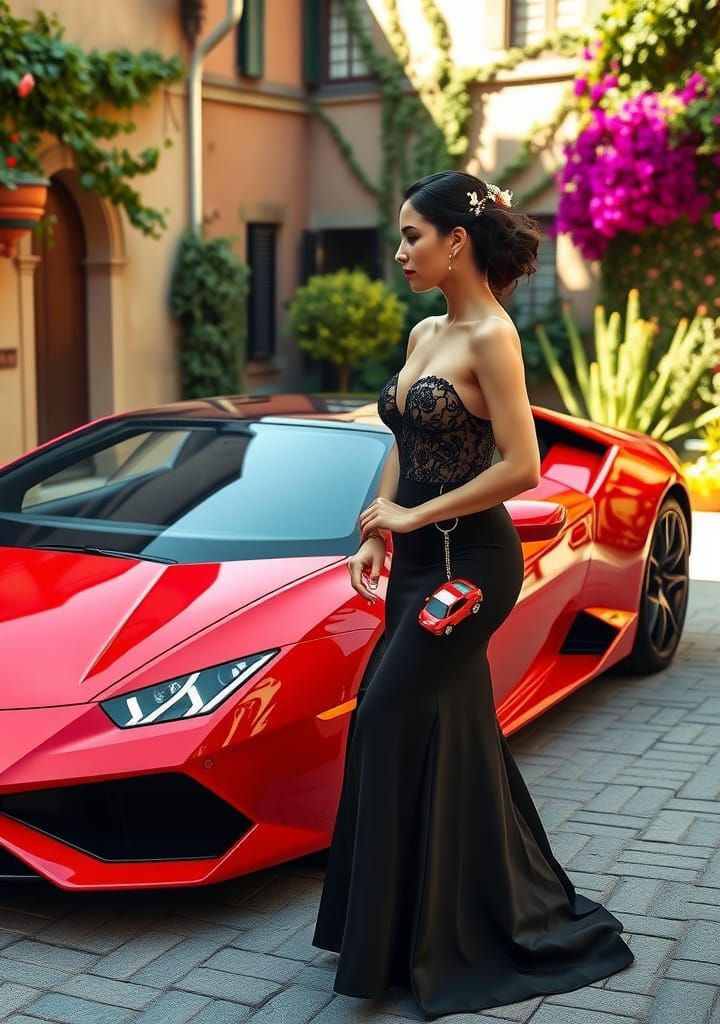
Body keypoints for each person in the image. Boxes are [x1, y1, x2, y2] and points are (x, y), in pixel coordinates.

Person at [311, 170, 634, 1018]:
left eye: (413, 235)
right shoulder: (426, 330)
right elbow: (404, 435)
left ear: (457, 241)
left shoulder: (492, 335)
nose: (400, 252)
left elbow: (521, 468)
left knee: (383, 714)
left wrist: (413, 513)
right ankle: (421, 922)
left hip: (470, 566)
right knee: (446, 729)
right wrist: (378, 529)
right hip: (417, 560)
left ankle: (418, 931)